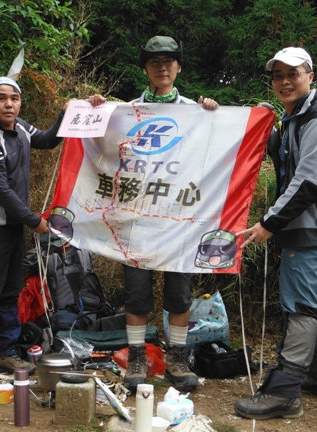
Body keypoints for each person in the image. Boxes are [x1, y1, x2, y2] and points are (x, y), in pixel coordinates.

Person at [233, 47, 317, 419]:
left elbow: (309, 183)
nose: (285, 81)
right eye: (278, 75)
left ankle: (285, 393)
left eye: (293, 73)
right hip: (313, 229)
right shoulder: (294, 120)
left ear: (311, 76)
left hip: (313, 230)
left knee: (300, 308)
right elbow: (289, 165)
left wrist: (268, 223)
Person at [88, 35, 218, 392]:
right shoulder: (128, 111)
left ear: (178, 67)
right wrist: (97, 110)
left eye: (169, 61)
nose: (162, 67)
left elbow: (215, 152)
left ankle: (177, 358)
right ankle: (137, 358)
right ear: (145, 68)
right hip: (138, 219)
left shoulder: (197, 111)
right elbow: (102, 148)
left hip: (179, 221)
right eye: (154, 61)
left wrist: (214, 116)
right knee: (136, 293)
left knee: (179, 293)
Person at [0, 76, 67, 396]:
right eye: (1, 98)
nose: (9, 104)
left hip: (13, 228)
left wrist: (67, 113)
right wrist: (36, 222)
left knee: (9, 293)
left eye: (15, 99)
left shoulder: (21, 128)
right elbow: (2, 192)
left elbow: (46, 140)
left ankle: (3, 354)